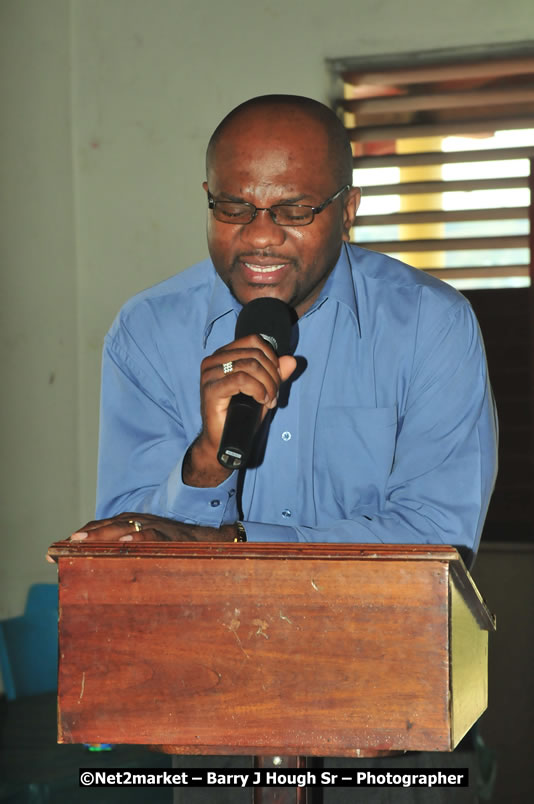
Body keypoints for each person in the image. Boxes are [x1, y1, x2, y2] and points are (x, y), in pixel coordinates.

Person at [69, 95, 498, 802]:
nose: (257, 237)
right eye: (233, 207)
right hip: (211, 720)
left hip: (383, 719)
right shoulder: (148, 330)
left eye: (294, 210)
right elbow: (124, 551)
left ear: (349, 207)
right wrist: (206, 458)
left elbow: (435, 545)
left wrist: (224, 544)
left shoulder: (431, 326)